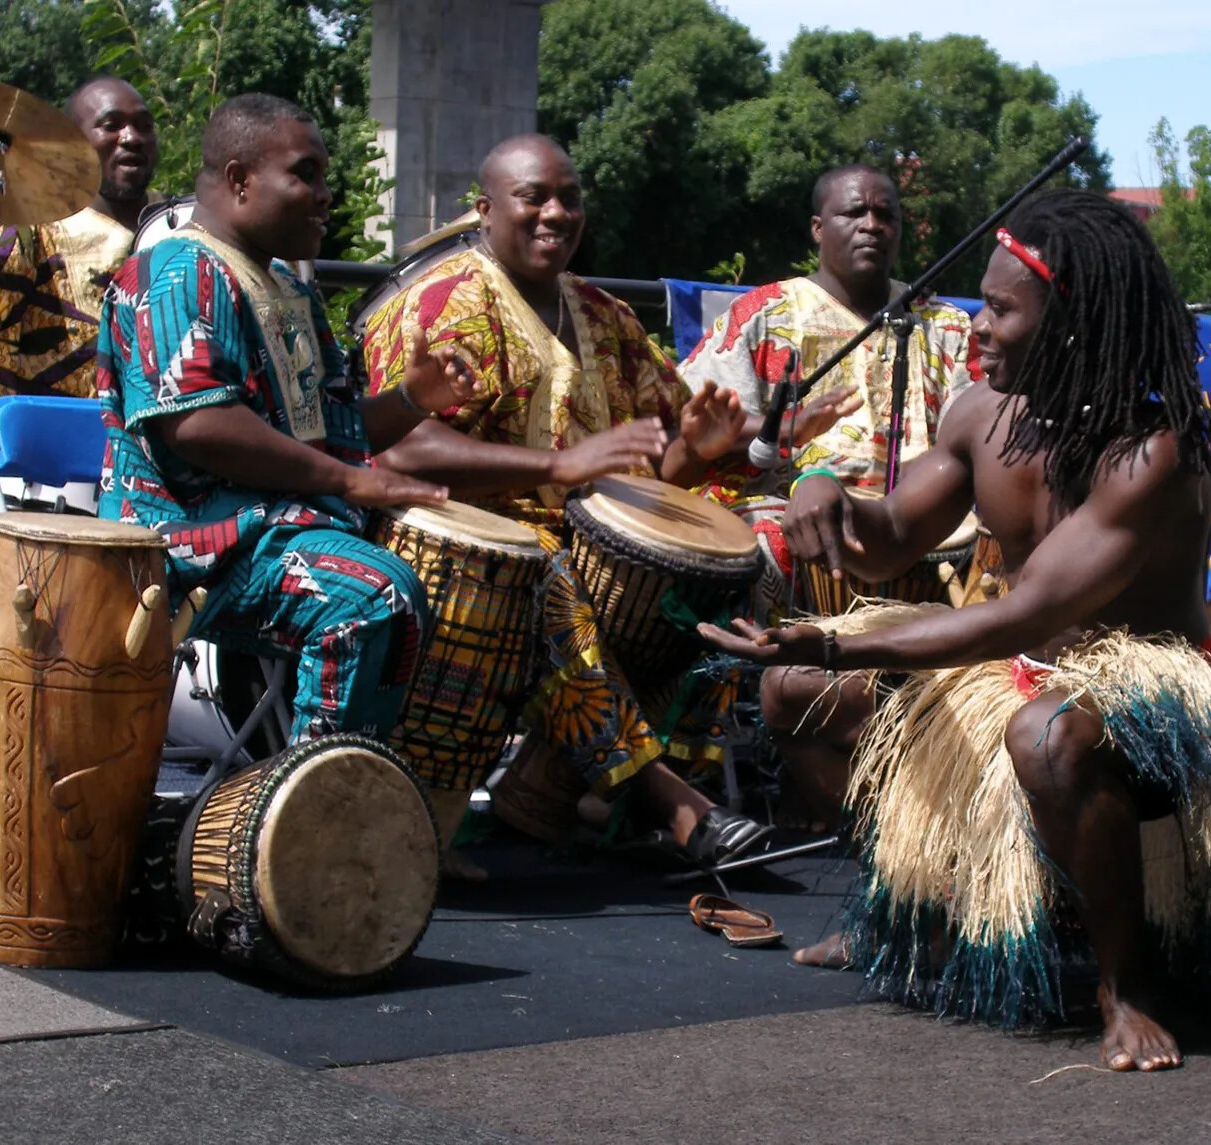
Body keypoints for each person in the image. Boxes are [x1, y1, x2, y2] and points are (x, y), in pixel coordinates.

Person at [700, 189, 1211, 1071]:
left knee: (1050, 733)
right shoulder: (980, 414)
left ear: (1065, 322)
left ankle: (1124, 983)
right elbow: (886, 545)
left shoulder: (1152, 452)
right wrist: (821, 489)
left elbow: (1026, 613)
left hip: (1136, 693)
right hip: (1014, 666)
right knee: (791, 692)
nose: (974, 328)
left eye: (998, 310)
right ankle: (917, 909)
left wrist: (837, 640)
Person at [360, 133, 769, 867]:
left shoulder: (607, 316)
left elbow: (649, 472)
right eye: (533, 197)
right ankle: (666, 799)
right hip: (462, 538)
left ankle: (551, 793)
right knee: (557, 581)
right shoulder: (444, 301)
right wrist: (559, 462)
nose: (556, 213)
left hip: (582, 539)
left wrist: (694, 450)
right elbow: (399, 447)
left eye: (569, 198)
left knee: (708, 578)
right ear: (485, 210)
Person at [98, 93, 472, 751]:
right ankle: (305, 812)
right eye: (306, 174)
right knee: (371, 597)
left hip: (281, 528)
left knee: (463, 584)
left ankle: (387, 803)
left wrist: (412, 398)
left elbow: (329, 433)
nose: (325, 195)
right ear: (240, 179)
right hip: (193, 540)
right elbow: (198, 426)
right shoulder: (174, 272)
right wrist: (350, 483)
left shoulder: (287, 290)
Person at [680, 164, 976, 622]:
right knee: (759, 538)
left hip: (919, 522)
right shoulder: (763, 314)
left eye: (886, 215)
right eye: (854, 212)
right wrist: (786, 431)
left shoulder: (945, 325)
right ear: (818, 228)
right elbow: (700, 429)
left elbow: (977, 441)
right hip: (788, 515)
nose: (872, 225)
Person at [0, 75, 160, 577]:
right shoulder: (33, 226)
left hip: (154, 463)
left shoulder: (176, 231)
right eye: (111, 126)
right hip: (38, 473)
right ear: (71, 140)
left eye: (142, 126)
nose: (130, 137)